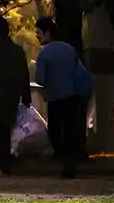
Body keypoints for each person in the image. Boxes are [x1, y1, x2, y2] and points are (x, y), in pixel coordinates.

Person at [34, 18, 92, 179]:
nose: (36, 36)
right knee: (71, 131)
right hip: (73, 96)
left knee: (55, 132)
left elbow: (40, 79)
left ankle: (63, 157)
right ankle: (72, 160)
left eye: (38, 33)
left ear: (47, 32)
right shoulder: (70, 49)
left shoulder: (44, 54)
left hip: (55, 98)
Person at [0, 15, 33, 174]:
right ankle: (5, 161)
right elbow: (24, 73)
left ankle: (1, 161)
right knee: (6, 127)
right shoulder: (17, 51)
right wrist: (26, 96)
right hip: (13, 95)